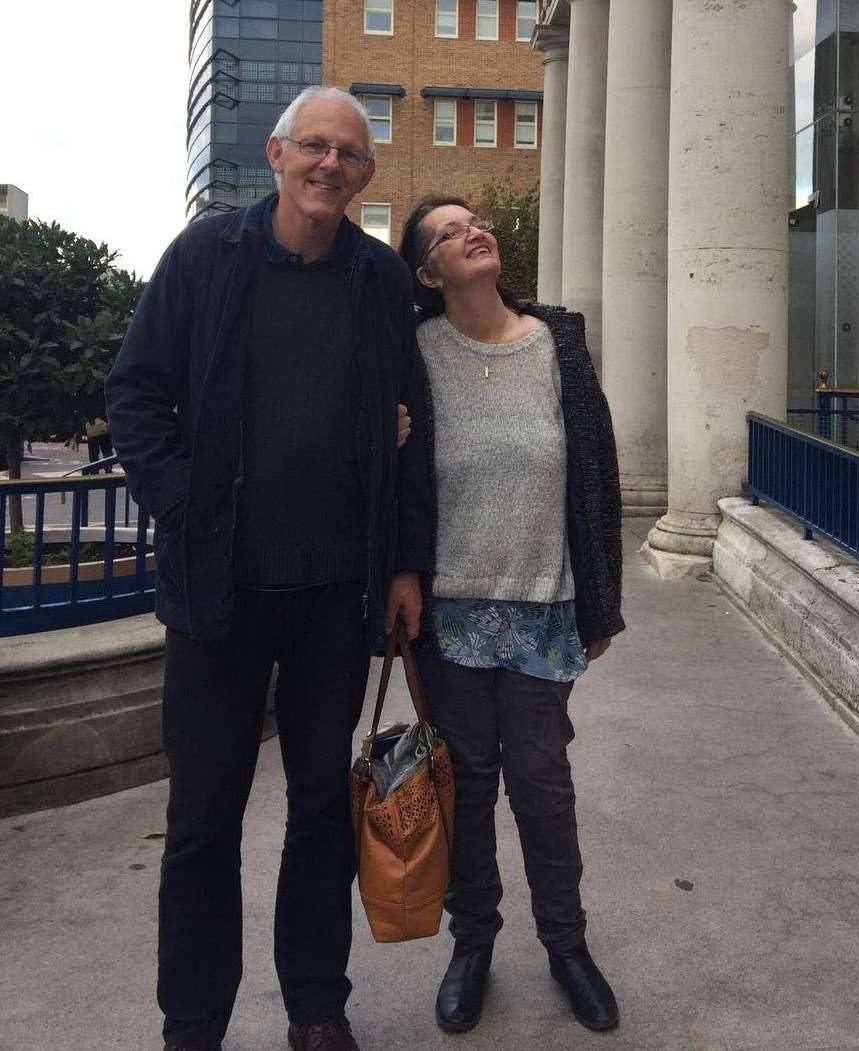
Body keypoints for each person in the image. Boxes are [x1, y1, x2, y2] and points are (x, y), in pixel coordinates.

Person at [106, 87, 430, 1051]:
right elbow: (134, 393)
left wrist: (406, 562)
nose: (331, 164)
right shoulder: (208, 256)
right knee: (203, 817)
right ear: (278, 153)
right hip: (219, 593)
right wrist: (183, 502)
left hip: (338, 592)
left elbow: (410, 431)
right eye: (315, 147)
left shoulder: (379, 280)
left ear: (367, 174)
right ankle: (194, 1021)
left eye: (351, 153)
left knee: (321, 804)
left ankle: (316, 1005)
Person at [397, 196, 624, 1035]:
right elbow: (398, 474)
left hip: (542, 601)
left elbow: (597, 471)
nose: (472, 232)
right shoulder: (415, 354)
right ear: (428, 272)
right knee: (467, 787)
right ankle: (473, 944)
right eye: (449, 232)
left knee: (543, 784)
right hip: (450, 608)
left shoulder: (559, 341)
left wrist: (603, 600)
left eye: (475, 221)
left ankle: (567, 946)